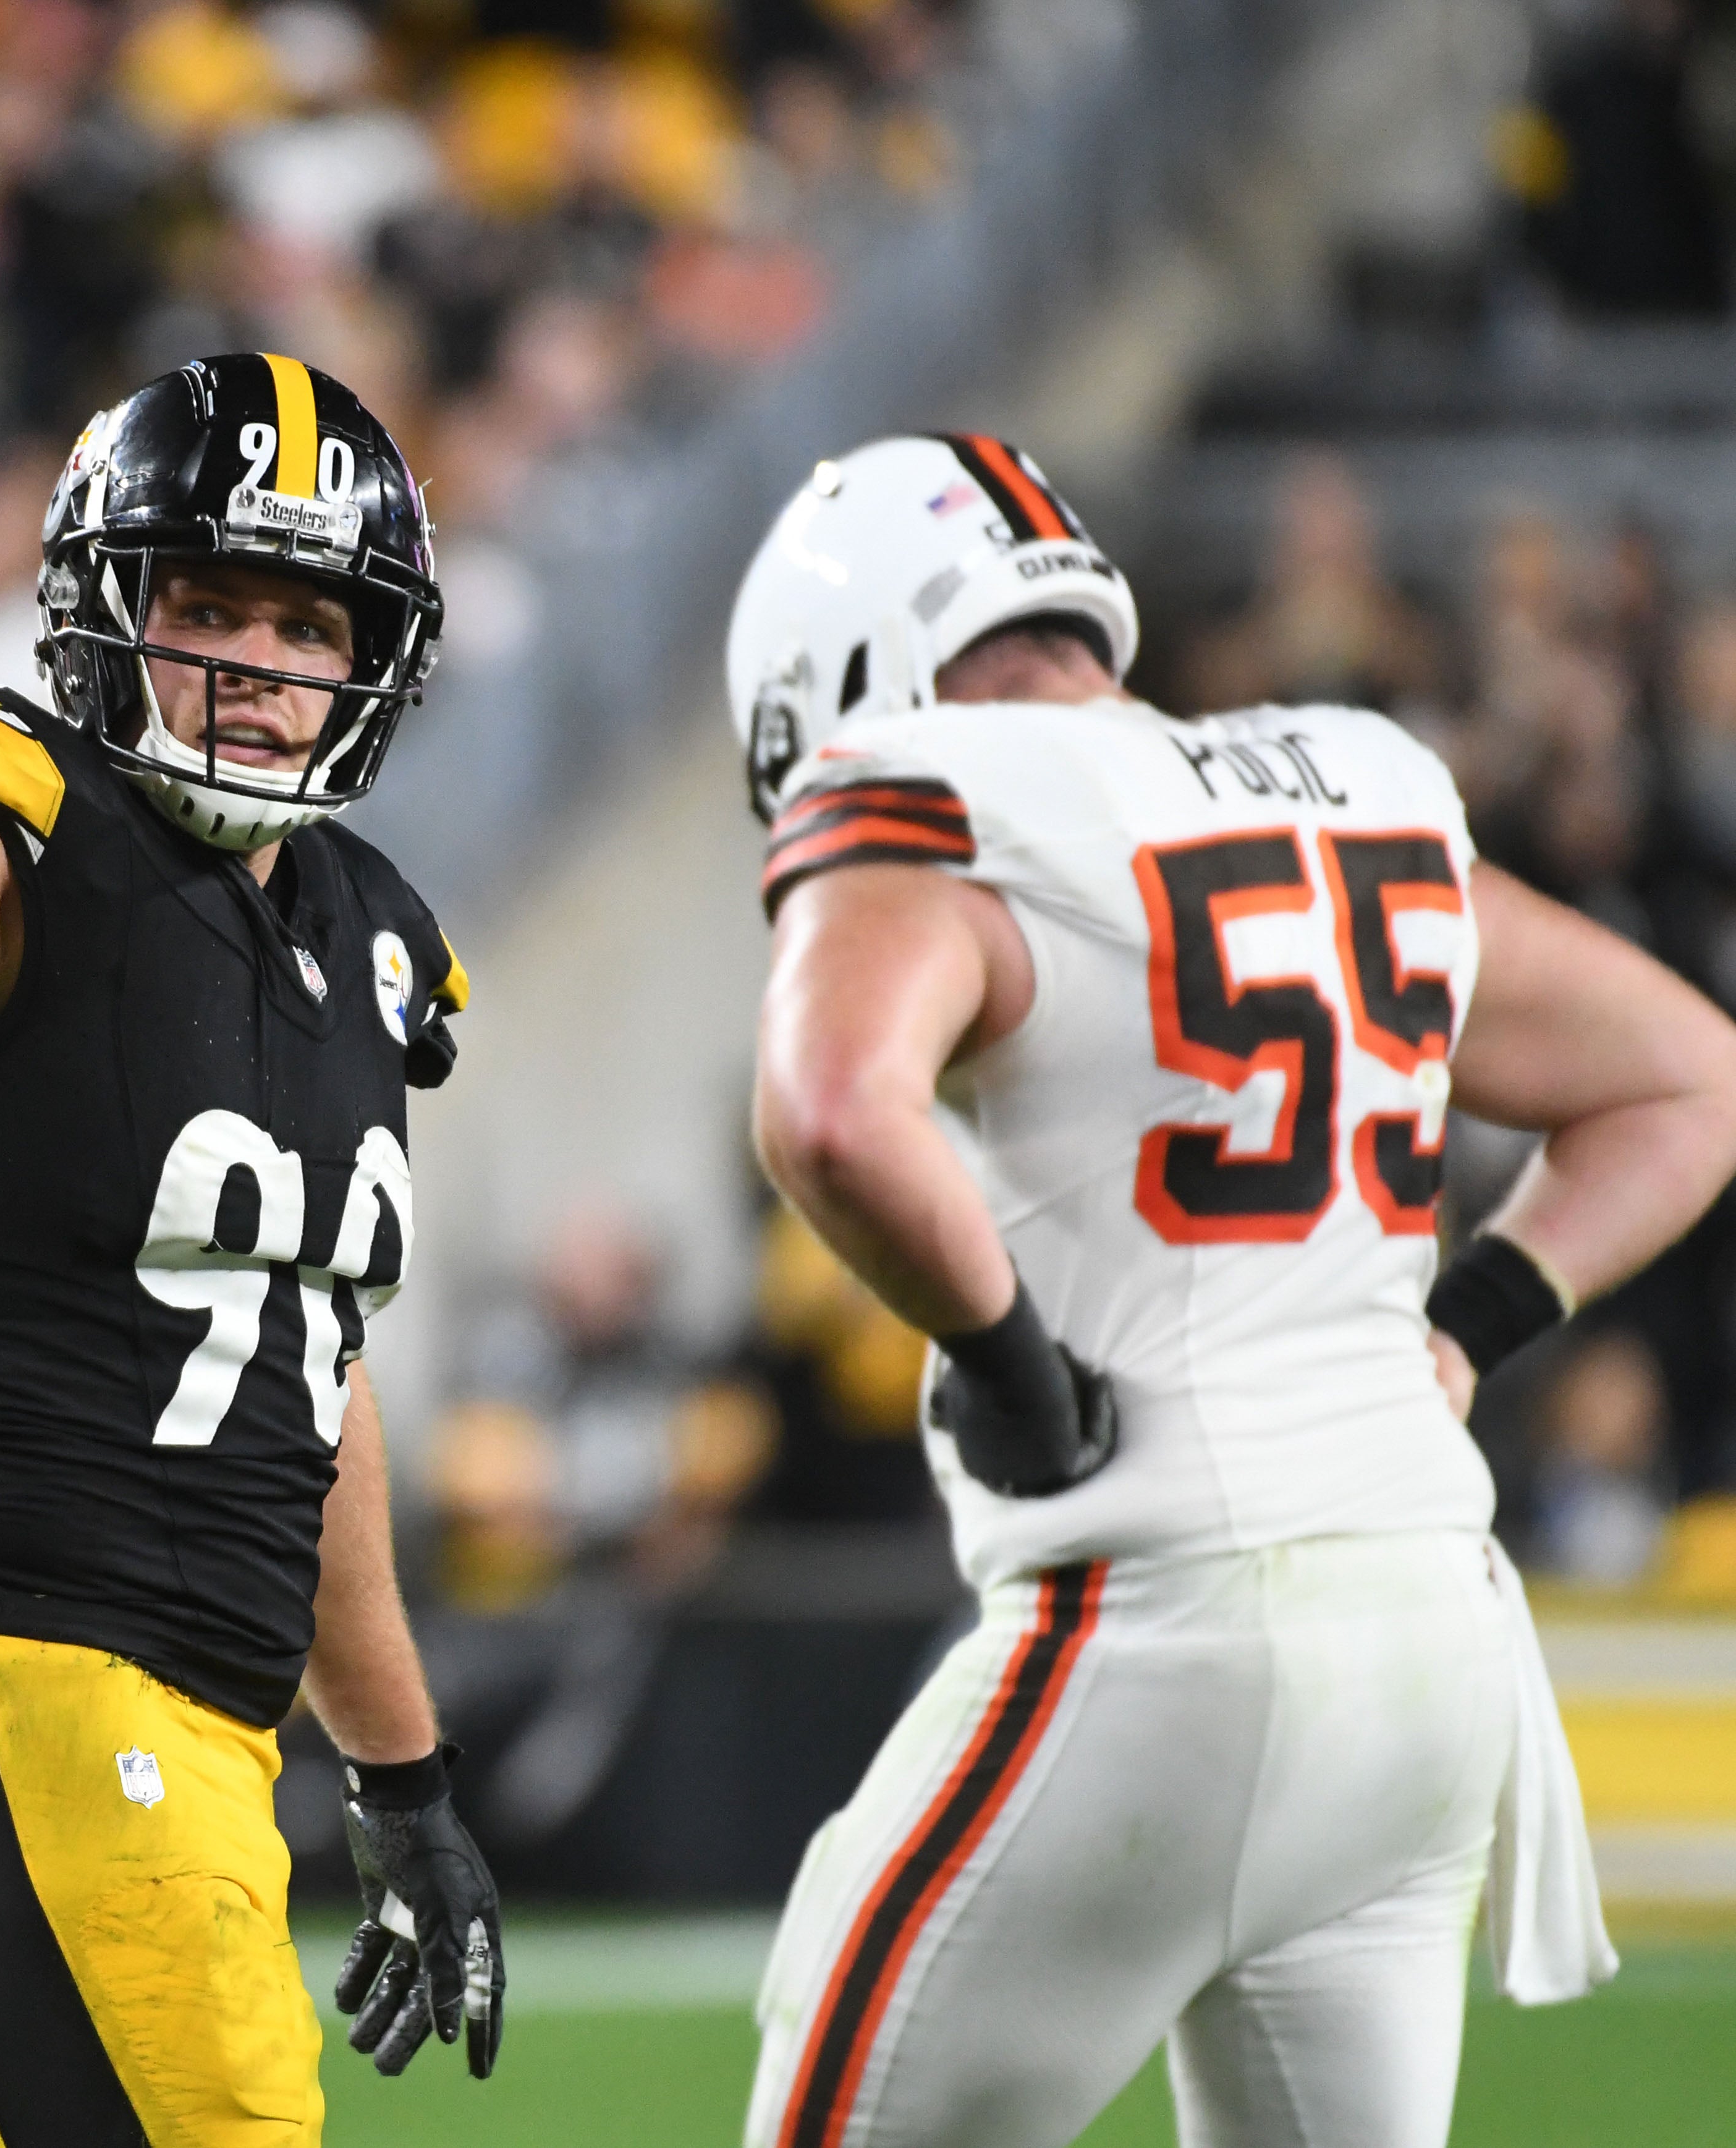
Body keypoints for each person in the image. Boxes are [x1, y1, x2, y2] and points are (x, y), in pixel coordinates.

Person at [729, 433, 1736, 2146]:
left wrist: (1011, 1364)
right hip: (1424, 1645)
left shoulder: (928, 783)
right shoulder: (1348, 777)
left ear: (842, 677)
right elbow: (1689, 1075)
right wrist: (1469, 1323)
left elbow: (828, 1111)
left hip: (1161, 1620)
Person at [0, 158, 503, 2146]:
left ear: (377, 658)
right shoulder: (6, 829)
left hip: (202, 1732)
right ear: (108, 615)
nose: (259, 659)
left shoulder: (368, 932)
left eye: (306, 619)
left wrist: (399, 1768)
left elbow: (304, 1377)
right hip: (20, 1684)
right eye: (211, 604)